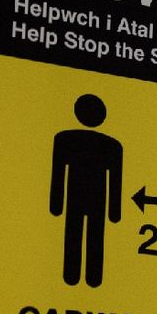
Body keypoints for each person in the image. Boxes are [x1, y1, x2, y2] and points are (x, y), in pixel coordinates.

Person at [50, 94, 122, 287]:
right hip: (96, 199)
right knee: (93, 236)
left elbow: (58, 175)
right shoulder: (111, 146)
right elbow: (115, 181)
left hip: (78, 198)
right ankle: (91, 278)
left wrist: (56, 204)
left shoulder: (66, 139)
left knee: (76, 232)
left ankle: (74, 276)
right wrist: (114, 212)